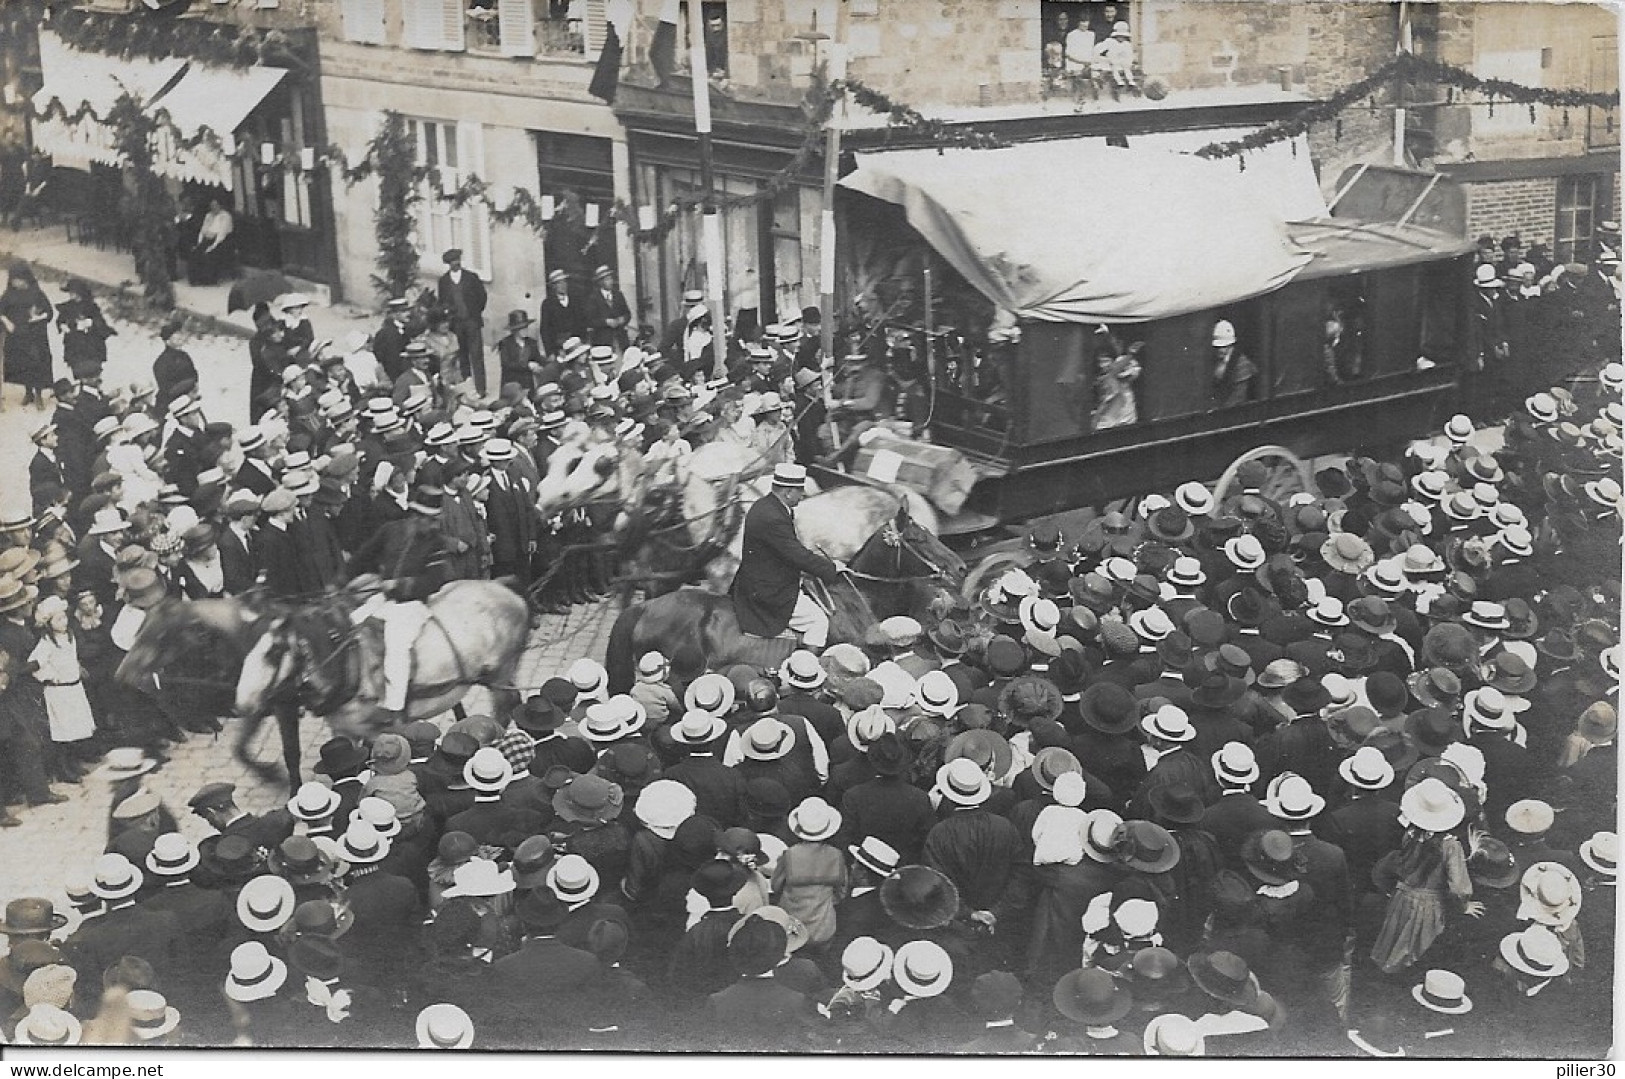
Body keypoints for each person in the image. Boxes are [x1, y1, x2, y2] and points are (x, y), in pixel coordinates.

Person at [347, 484, 452, 725]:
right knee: (350, 626)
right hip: (382, 599)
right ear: (415, 515)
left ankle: (394, 707)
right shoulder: (390, 530)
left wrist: (401, 585)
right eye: (429, 519)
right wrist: (343, 581)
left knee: (396, 646)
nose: (434, 524)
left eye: (435, 519)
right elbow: (362, 556)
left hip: (412, 606)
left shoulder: (436, 543)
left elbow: (435, 581)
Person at [731, 463, 843, 650]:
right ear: (788, 492)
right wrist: (831, 568)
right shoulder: (773, 516)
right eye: (800, 491)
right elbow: (795, 554)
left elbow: (784, 549)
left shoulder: (768, 506)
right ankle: (804, 665)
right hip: (769, 590)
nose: (804, 495)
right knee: (818, 622)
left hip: (759, 578)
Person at [0, 262, 55, 407]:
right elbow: (1, 311)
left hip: (35, 336)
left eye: (17, 279)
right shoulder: (8, 294)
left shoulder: (37, 293)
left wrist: (39, 317)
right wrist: (7, 322)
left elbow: (49, 313)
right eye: (12, 280)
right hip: (17, 337)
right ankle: (28, 392)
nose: (15, 283)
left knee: (36, 363)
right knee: (22, 365)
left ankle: (38, 394)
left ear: (25, 278)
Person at [437, 249, 489, 394]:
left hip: (472, 322)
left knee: (477, 355)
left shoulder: (471, 277)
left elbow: (482, 297)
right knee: (461, 356)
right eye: (452, 261)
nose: (456, 263)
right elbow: (442, 302)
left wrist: (475, 313)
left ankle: (481, 389)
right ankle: (468, 386)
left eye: (457, 260)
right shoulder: (444, 281)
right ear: (448, 264)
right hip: (456, 324)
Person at [537, 269, 586, 356]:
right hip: (559, 348)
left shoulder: (575, 300)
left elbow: (582, 322)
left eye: (564, 282)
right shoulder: (548, 304)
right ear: (553, 286)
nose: (563, 285)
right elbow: (545, 330)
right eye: (559, 283)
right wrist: (550, 352)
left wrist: (582, 341)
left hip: (577, 344)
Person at [1208, 319, 1256, 409]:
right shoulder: (1217, 362)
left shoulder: (1242, 364)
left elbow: (1239, 396)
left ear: (1231, 345)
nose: (1220, 350)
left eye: (1224, 346)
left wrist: (1219, 411)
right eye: (1218, 347)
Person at [584, 265, 633, 352]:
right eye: (607, 279)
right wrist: (606, 322)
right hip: (603, 341)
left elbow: (627, 313)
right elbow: (590, 320)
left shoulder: (618, 295)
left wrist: (623, 319)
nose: (611, 282)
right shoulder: (593, 298)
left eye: (611, 279)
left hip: (620, 340)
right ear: (600, 282)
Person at [189, 198, 234, 286]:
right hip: (207, 239)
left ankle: (209, 280)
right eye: (212, 206)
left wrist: (213, 246)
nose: (213, 208)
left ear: (220, 206)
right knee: (195, 253)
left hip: (221, 241)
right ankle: (196, 279)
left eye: (215, 205)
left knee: (210, 255)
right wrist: (199, 243)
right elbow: (203, 230)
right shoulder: (208, 215)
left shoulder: (226, 216)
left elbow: (222, 233)